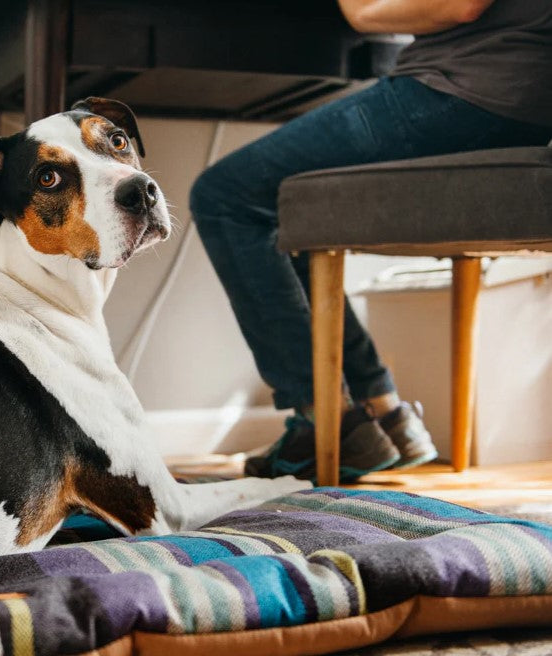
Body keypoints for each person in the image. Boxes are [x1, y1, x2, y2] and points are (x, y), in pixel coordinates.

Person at [189, 0, 552, 481]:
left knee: (224, 194)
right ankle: (384, 414)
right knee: (293, 204)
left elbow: (459, 5)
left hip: (463, 91)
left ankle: (327, 422)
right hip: (507, 98)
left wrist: (361, 9)